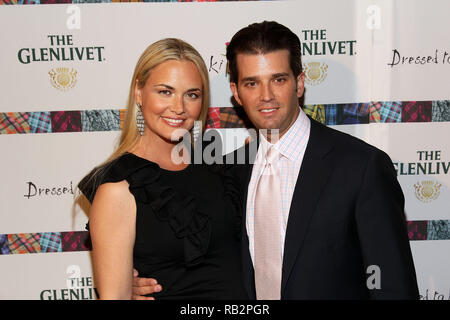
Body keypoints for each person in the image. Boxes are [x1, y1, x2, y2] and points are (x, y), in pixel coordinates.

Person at [133, 21, 419, 300]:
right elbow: (204, 260)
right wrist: (131, 285)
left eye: (278, 79)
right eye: (252, 83)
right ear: (236, 93)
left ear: (300, 83)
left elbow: (391, 285)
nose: (266, 96)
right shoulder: (228, 171)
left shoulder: (361, 167)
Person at [78, 38, 247, 300]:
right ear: (138, 91)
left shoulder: (216, 167)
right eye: (165, 91)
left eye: (192, 94)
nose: (178, 108)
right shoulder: (118, 189)